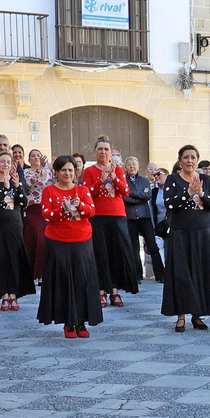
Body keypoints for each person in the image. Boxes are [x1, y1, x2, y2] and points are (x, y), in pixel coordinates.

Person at [161, 144, 210, 332]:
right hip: (180, 233)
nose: (189, 161)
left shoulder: (206, 180)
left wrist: (201, 194)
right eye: (186, 157)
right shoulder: (172, 180)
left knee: (202, 273)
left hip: (203, 233)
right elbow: (170, 204)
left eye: (193, 157)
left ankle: (198, 314)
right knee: (181, 274)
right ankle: (181, 315)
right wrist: (188, 193)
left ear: (197, 160)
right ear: (180, 160)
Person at [39, 155, 103, 338]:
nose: (67, 173)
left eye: (71, 170)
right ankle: (68, 322)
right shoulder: (49, 191)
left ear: (76, 172)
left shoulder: (82, 190)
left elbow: (91, 211)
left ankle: (81, 321)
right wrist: (63, 209)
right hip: (57, 241)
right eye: (64, 170)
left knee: (82, 280)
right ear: (56, 172)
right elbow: (46, 213)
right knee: (63, 281)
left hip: (81, 240)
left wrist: (79, 205)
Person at [83, 137, 137, 307]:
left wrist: (114, 177)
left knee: (117, 253)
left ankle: (115, 290)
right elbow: (88, 192)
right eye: (100, 149)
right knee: (100, 253)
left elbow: (125, 191)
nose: (103, 152)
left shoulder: (119, 170)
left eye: (106, 149)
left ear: (111, 152)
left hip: (117, 215)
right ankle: (100, 290)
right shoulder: (89, 171)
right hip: (97, 216)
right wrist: (101, 180)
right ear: (94, 151)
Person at [0, 151, 33, 311]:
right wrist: (7, 188)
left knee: (14, 257)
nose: (5, 165)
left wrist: (17, 187)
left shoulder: (17, 181)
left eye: (8, 162)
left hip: (13, 224)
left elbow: (23, 202)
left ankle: (14, 294)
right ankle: (3, 294)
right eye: (2, 161)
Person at [122, 154, 164, 284]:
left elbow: (148, 195)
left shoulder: (145, 181)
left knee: (152, 244)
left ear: (138, 166)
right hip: (130, 217)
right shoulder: (123, 180)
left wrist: (132, 193)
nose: (132, 167)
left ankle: (160, 275)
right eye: (129, 165)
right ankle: (136, 275)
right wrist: (138, 196)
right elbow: (124, 197)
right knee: (133, 247)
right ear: (125, 167)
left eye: (134, 164)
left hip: (144, 216)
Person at [22, 149, 51, 281]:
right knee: (35, 239)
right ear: (28, 160)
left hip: (46, 208)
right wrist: (39, 170)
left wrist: (52, 170)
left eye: (38, 155)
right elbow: (29, 186)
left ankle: (44, 273)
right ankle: (33, 273)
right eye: (33, 156)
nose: (36, 157)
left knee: (46, 240)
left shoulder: (48, 172)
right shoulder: (26, 172)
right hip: (33, 209)